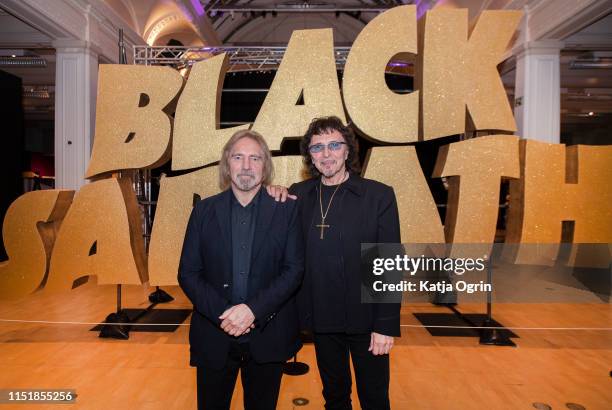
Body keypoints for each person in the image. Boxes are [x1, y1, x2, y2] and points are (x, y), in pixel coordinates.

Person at [178, 129, 304, 410]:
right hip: (214, 334)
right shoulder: (203, 211)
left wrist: (251, 311)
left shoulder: (286, 210)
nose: (246, 166)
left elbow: (294, 270)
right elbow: (188, 272)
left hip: (267, 336)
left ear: (265, 166)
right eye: (238, 157)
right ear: (227, 164)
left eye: (255, 158)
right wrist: (225, 314)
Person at [285, 116, 402, 409]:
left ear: (348, 150)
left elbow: (389, 262)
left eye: (334, 145)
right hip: (322, 319)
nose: (326, 154)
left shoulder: (378, 196)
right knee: (335, 397)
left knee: (374, 399)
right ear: (309, 155)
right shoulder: (299, 194)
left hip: (367, 320)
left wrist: (385, 325)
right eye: (317, 148)